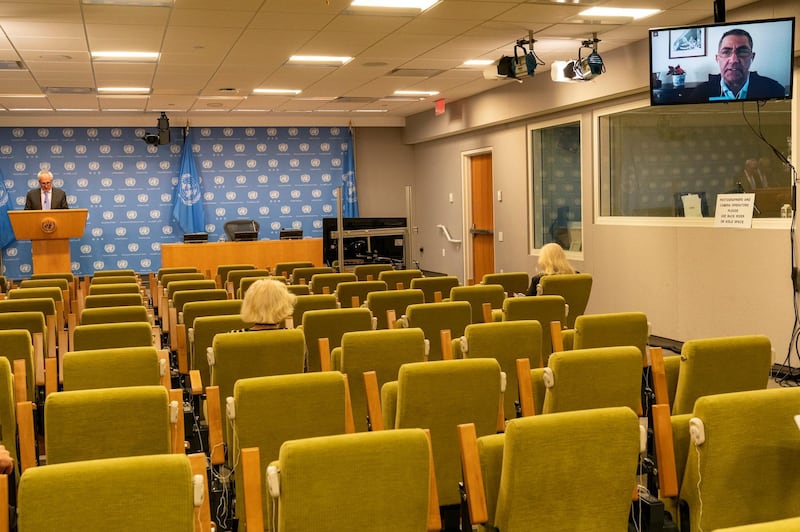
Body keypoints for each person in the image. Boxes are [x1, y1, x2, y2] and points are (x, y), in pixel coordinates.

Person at [691, 28, 786, 101]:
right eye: (726, 52)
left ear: (752, 57)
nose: (733, 60)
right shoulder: (700, 93)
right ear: (718, 58)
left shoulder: (774, 90)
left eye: (742, 52)